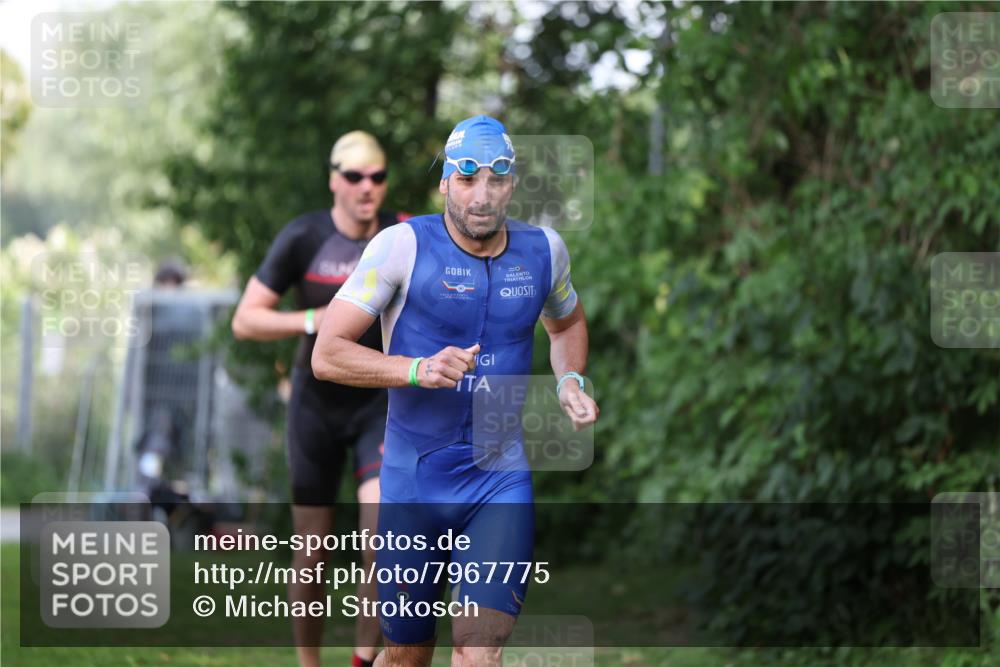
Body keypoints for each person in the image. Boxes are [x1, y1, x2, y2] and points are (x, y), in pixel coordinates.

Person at [311, 115, 599, 667]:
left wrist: (569, 379)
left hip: (499, 480)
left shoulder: (545, 252)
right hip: (414, 480)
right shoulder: (400, 247)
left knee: (477, 652)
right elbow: (327, 354)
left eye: (497, 179)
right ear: (445, 182)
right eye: (467, 180)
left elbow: (567, 326)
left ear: (513, 184)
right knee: (407, 657)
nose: (482, 196)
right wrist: (415, 369)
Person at [232, 131, 407, 667]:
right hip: (316, 404)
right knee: (313, 550)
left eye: (377, 176)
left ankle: (361, 660)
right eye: (354, 176)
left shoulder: (403, 235)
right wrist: (314, 319)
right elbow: (246, 320)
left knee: (381, 536)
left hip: (377, 401)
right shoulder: (304, 236)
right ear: (334, 180)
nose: (366, 186)